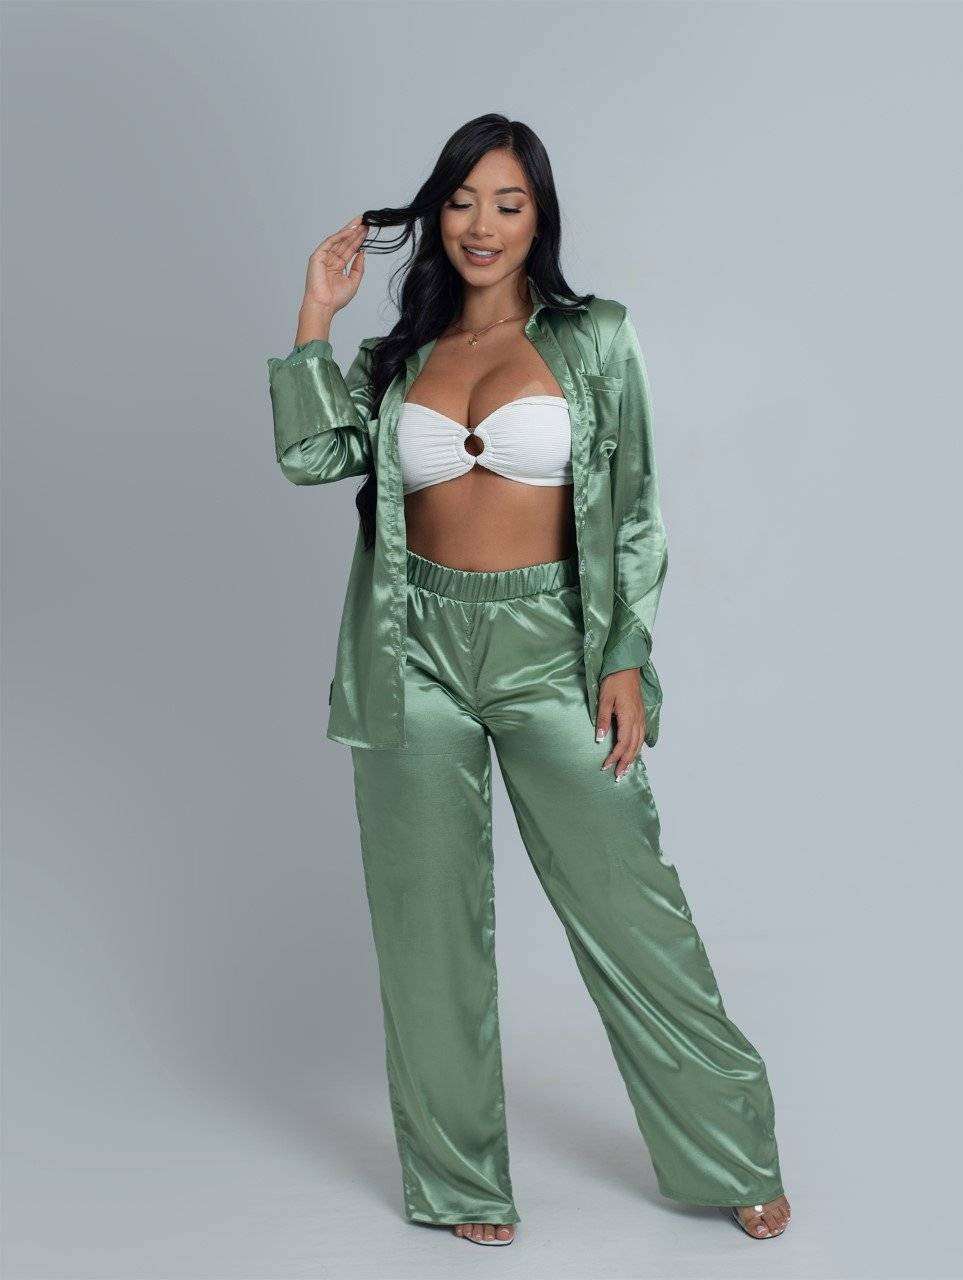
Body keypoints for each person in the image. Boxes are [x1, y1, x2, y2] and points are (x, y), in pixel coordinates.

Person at [266, 113, 791, 1247]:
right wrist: (317, 312)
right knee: (427, 929)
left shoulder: (593, 337)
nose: (481, 224)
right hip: (411, 652)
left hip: (554, 648)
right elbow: (313, 455)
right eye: (461, 201)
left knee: (631, 910)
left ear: (538, 215)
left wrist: (624, 656)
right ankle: (460, 1182)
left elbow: (634, 505)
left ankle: (732, 1151)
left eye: (506, 203)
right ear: (437, 213)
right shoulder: (399, 357)